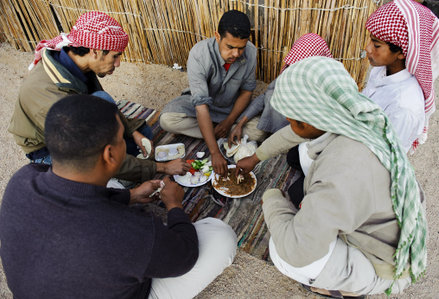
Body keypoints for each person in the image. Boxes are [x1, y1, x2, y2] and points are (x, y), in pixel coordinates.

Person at [0, 95, 237, 299]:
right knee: (221, 235)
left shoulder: (22, 180)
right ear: (110, 154)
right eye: (122, 138)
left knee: (112, 185)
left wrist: (130, 195)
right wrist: (175, 206)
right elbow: (184, 258)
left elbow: (75, 200)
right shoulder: (130, 231)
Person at [259, 56, 426, 297]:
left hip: (384, 263)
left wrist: (272, 199)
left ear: (308, 120)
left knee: (282, 252)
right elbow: (297, 133)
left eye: (291, 117)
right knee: (304, 162)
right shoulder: (357, 115)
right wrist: (257, 156)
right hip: (382, 228)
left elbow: (297, 249)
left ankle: (351, 287)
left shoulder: (340, 170)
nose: (286, 119)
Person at [8, 11, 189, 182]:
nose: (118, 64)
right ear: (95, 51)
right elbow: (95, 157)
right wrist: (161, 168)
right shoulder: (51, 98)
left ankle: (125, 163)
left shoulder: (78, 62)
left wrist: (132, 133)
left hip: (79, 118)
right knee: (99, 184)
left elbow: (98, 101)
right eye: (115, 56)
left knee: (143, 134)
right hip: (49, 150)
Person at [159, 10, 257, 175]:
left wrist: (229, 121)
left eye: (241, 48)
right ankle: (217, 136)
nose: (236, 54)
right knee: (167, 120)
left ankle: (216, 130)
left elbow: (247, 92)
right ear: (217, 36)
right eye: (230, 47)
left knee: (258, 131)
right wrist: (214, 152)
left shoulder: (251, 52)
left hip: (230, 108)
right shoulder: (199, 54)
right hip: (201, 106)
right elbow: (201, 106)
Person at [363, 0, 439, 153]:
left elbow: (388, 158)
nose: (367, 48)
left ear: (402, 52)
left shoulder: (404, 107)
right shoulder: (382, 69)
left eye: (376, 45)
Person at [228, 33, 333, 145]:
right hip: (276, 126)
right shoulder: (289, 74)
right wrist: (240, 124)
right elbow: (263, 99)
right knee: (248, 131)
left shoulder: (324, 88)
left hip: (301, 135)